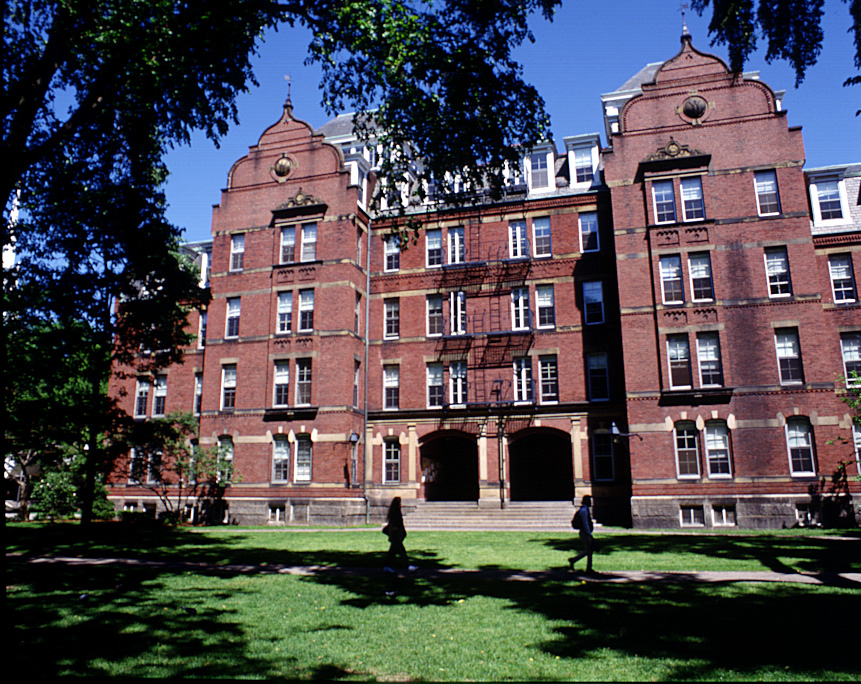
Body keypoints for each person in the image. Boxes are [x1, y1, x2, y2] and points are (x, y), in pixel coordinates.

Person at [383, 497, 415, 572]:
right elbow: (398, 524)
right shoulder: (396, 513)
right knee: (401, 551)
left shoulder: (394, 512)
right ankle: (407, 566)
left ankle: (387, 566)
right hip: (396, 535)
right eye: (400, 503)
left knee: (392, 552)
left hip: (395, 534)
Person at [569, 495, 596, 574]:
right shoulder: (584, 511)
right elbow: (585, 524)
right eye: (589, 500)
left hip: (585, 532)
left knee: (589, 550)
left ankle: (574, 560)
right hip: (585, 533)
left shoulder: (584, 509)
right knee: (589, 550)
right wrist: (589, 534)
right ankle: (588, 568)